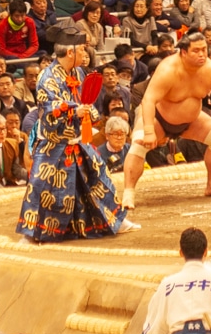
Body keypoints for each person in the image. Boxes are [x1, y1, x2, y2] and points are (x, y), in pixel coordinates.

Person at [17, 22, 128, 241]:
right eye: (82, 49)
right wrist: (74, 110)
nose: (86, 53)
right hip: (54, 143)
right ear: (70, 52)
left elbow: (86, 97)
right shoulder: (46, 78)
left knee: (98, 176)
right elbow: (48, 107)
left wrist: (87, 113)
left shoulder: (78, 71)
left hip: (78, 139)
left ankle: (116, 220)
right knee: (41, 187)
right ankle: (31, 233)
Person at [121, 37, 211, 211]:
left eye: (204, 49)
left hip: (191, 121)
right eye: (196, 50)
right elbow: (148, 100)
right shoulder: (168, 69)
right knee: (139, 145)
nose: (202, 54)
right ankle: (129, 192)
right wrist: (149, 131)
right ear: (184, 52)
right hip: (158, 118)